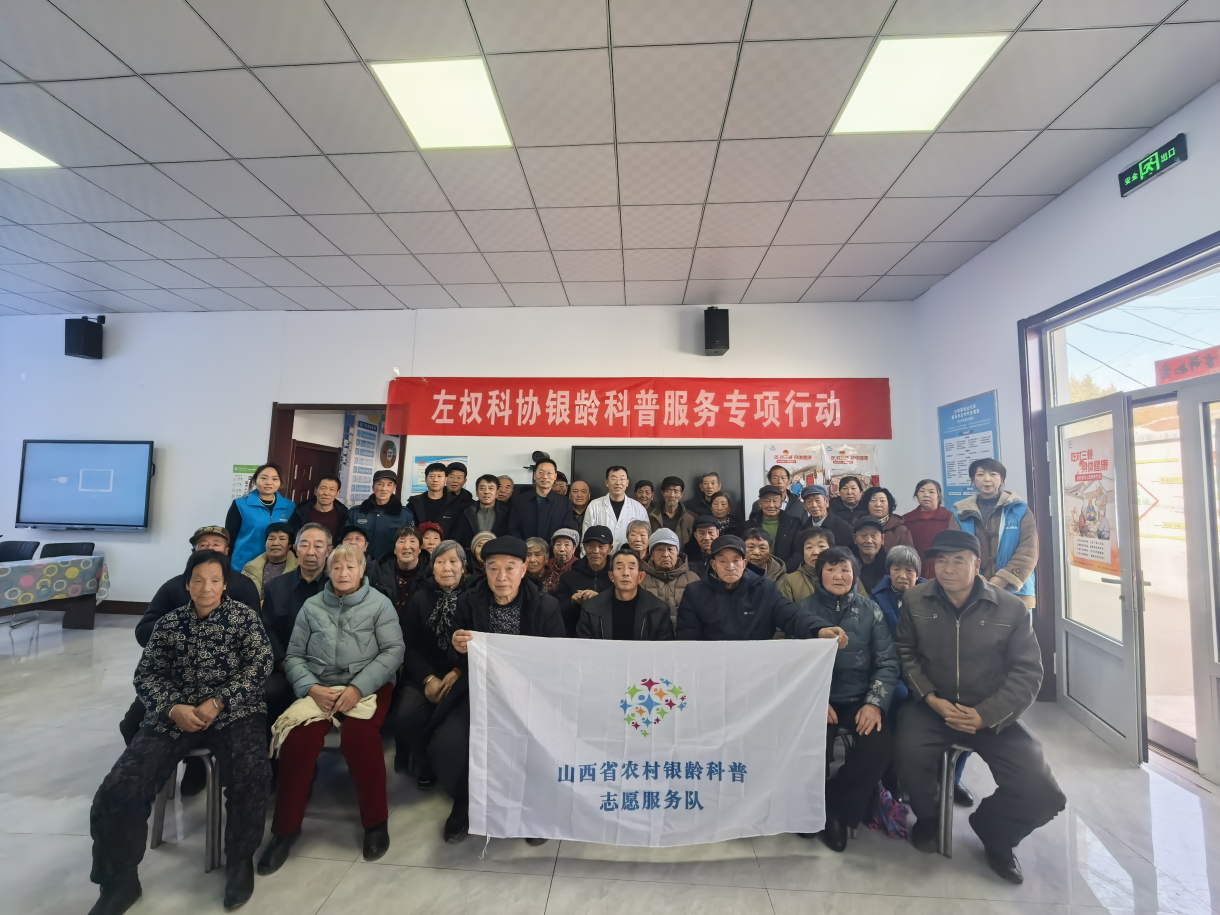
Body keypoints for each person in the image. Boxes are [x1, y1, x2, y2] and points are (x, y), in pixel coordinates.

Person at [89, 550, 273, 914]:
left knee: (252, 776)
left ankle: (239, 863)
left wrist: (219, 701)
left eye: (215, 581)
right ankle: (118, 882)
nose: (206, 588)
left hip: (235, 713)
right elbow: (146, 675)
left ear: (225, 585)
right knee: (120, 788)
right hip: (174, 716)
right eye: (198, 580)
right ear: (187, 584)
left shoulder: (243, 618)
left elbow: (260, 664)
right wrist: (174, 708)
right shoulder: (169, 624)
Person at [894, 530, 1064, 883]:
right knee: (905, 754)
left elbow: (1028, 673)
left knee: (1042, 791)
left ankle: (995, 831)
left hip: (991, 711)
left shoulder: (1011, 608)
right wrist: (931, 699)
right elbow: (906, 654)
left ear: (978, 564)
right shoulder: (916, 600)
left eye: (958, 560)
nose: (948, 569)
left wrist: (987, 714)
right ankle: (928, 817)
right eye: (941, 561)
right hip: (933, 707)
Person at [259, 544, 405, 873]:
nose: (343, 573)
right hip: (320, 686)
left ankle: (376, 822)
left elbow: (393, 652)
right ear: (328, 571)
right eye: (336, 567)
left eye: (350, 567)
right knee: (296, 741)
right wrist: (310, 688)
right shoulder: (312, 606)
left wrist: (357, 687)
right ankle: (285, 830)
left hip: (368, 685)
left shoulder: (379, 604)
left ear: (362, 571)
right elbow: (294, 656)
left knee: (359, 739)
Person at [121, 527, 263, 799]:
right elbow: (144, 631)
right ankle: (158, 770)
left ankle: (198, 767)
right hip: (176, 681)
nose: (209, 548)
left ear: (227, 551)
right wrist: (178, 637)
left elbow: (255, 644)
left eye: (216, 544)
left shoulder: (243, 587)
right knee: (132, 724)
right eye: (203, 544)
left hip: (226, 683)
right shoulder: (173, 587)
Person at [442, 537, 566, 843]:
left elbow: (557, 660)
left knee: (536, 741)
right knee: (452, 741)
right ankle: (465, 803)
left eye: (510, 568)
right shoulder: (469, 602)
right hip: (481, 691)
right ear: (484, 570)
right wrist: (457, 646)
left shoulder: (545, 606)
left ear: (523, 570)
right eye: (493, 568)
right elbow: (454, 657)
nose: (501, 577)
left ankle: (534, 810)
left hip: (530, 693)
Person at [799, 546, 898, 851]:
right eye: (830, 569)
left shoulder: (871, 611)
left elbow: (887, 662)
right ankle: (807, 805)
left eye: (845, 569)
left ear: (855, 574)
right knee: (809, 746)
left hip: (858, 698)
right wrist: (815, 698)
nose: (838, 575)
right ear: (820, 574)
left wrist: (874, 703)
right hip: (817, 697)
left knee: (878, 748)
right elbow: (793, 663)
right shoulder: (802, 611)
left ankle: (837, 810)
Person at [676, 534, 846, 643]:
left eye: (736, 560)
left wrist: (818, 629)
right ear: (714, 565)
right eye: (723, 561)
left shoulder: (764, 589)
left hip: (758, 667)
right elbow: (688, 639)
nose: (730, 566)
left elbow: (791, 615)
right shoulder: (695, 593)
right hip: (714, 668)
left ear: (744, 563)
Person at [392, 539, 467, 782]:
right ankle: (422, 760)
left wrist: (458, 671)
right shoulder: (420, 597)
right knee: (406, 715)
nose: (447, 568)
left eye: (453, 561)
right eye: (440, 562)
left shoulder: (474, 598)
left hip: (462, 673)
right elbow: (409, 644)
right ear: (432, 567)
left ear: (463, 566)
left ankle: (442, 763)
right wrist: (427, 678)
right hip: (423, 672)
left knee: (452, 725)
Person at [261, 523, 332, 724]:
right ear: (295, 548)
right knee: (266, 692)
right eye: (304, 545)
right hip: (284, 667)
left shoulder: (338, 588)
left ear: (328, 551)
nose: (310, 552)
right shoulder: (276, 587)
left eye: (318, 546)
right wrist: (286, 664)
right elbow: (266, 630)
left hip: (326, 671)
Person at [953, 459, 1038, 609]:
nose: (987, 479)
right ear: (973, 480)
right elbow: (955, 549)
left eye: (993, 474)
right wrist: (974, 576)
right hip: (972, 587)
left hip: (1015, 590)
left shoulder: (1019, 510)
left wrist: (1003, 579)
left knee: (1016, 624)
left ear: (1002, 480)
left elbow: (1028, 550)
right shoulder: (960, 513)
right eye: (980, 474)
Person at [577, 545, 675, 640]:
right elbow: (584, 646)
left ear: (640, 577)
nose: (625, 573)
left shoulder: (658, 609)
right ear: (611, 576)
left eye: (631, 568)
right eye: (619, 568)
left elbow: (664, 648)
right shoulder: (591, 608)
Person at [226, 462, 295, 573]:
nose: (269, 482)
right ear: (254, 481)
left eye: (275, 479)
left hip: (277, 566)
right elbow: (230, 538)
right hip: (243, 566)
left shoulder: (289, 506)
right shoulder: (240, 505)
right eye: (264, 478)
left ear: (280, 482)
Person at [554, 525, 614, 636]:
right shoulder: (569, 577)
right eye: (591, 546)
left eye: (601, 546)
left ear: (610, 549)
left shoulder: (616, 577)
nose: (596, 551)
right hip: (576, 636)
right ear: (584, 548)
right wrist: (572, 602)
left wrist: (601, 599)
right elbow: (558, 614)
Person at [347, 469, 414, 561]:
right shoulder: (356, 512)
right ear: (373, 487)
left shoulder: (405, 515)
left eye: (389, 485)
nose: (384, 489)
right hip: (360, 562)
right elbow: (345, 541)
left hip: (392, 564)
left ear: (394, 488)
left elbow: (411, 543)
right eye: (380, 484)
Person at [640, 528, 701, 627]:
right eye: (660, 550)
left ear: (677, 553)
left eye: (670, 549)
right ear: (651, 555)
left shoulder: (693, 579)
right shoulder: (641, 579)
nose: (666, 555)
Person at [903, 479, 961, 579]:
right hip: (914, 571)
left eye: (931, 492)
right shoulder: (907, 519)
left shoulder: (950, 518)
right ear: (917, 495)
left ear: (938, 496)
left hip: (943, 570)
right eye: (922, 491)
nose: (926, 495)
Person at [508, 456, 575, 542]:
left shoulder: (564, 503)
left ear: (555, 476)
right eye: (541, 472)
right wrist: (525, 547)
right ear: (534, 475)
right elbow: (513, 529)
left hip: (552, 549)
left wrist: (550, 547)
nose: (545, 477)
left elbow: (566, 531)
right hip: (524, 548)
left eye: (549, 473)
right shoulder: (520, 500)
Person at [583, 465, 649, 550]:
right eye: (613, 479)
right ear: (607, 482)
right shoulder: (594, 506)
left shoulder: (639, 508)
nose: (618, 483)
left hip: (630, 556)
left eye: (622, 479)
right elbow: (586, 537)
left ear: (627, 483)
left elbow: (646, 538)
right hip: (601, 556)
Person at [369, 525, 426, 616]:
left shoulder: (431, 573)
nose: (406, 546)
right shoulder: (379, 573)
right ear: (395, 550)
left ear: (420, 549)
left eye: (412, 541)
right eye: (402, 541)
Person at [241, 521, 298, 603]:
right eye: (271, 538)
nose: (275, 543)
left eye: (282, 539)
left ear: (290, 544)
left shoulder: (299, 568)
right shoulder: (250, 569)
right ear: (265, 543)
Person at [451, 473, 510, 550]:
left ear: (497, 493)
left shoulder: (507, 513)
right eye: (482, 488)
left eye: (491, 488)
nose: (486, 492)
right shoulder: (466, 512)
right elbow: (458, 538)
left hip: (498, 553)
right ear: (477, 492)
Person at [753, 484, 804, 569]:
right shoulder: (749, 525)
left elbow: (798, 552)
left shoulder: (794, 523)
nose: (771, 505)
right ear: (760, 503)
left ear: (781, 502)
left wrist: (781, 570)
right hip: (756, 572)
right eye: (767, 501)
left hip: (786, 572)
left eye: (775, 501)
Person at [779, 527, 835, 603]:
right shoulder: (789, 581)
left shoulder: (842, 577)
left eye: (821, 546)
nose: (815, 552)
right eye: (809, 547)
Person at [287, 474, 348, 541]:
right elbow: (291, 536)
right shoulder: (301, 512)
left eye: (331, 489)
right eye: (323, 488)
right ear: (315, 491)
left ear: (337, 493)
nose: (326, 493)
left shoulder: (343, 514)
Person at [408, 462, 460, 538]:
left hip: (446, 544)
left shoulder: (456, 504)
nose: (435, 480)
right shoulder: (414, 504)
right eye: (432, 476)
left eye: (439, 476)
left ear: (446, 480)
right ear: (426, 479)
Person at [860, 486, 915, 552]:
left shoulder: (900, 529)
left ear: (889, 504)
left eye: (882, 501)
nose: (878, 504)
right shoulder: (858, 525)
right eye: (873, 500)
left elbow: (908, 556)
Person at [650, 476, 695, 546]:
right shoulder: (652, 515)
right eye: (668, 491)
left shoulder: (691, 517)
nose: (672, 495)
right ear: (663, 493)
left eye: (676, 491)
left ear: (681, 495)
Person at [851, 516, 888, 593]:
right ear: (855, 538)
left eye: (873, 536)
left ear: (882, 539)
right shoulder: (847, 562)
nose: (869, 541)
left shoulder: (889, 565)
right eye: (864, 536)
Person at [541, 528, 578, 593]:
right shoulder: (546, 565)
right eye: (558, 545)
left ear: (574, 549)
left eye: (567, 545)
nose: (562, 549)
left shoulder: (578, 567)